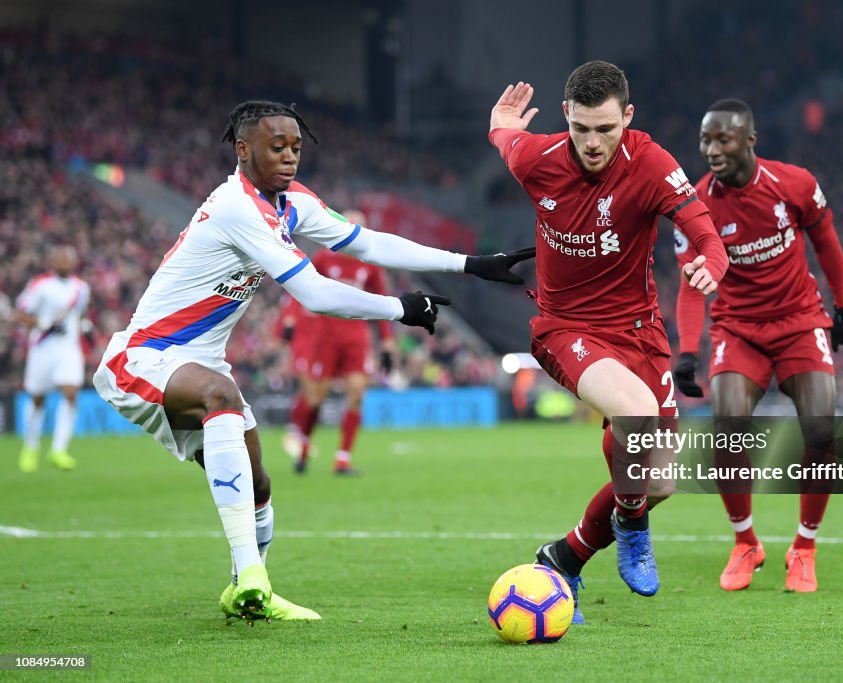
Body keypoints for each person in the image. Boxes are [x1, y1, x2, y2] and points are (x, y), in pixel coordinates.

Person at [92, 100, 534, 623]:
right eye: (276, 146)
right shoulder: (237, 205)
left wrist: (469, 264)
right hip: (144, 356)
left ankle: (247, 591)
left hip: (200, 361)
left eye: (296, 147)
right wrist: (400, 308)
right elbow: (315, 294)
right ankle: (252, 575)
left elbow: (367, 244)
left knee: (258, 486)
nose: (289, 156)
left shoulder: (292, 202)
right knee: (221, 397)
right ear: (242, 149)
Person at [488, 62, 728, 623]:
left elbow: (702, 228)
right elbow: (507, 137)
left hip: (640, 333)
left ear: (628, 117)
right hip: (565, 329)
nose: (593, 143)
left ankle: (565, 555)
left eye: (607, 129)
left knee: (662, 479)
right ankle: (632, 525)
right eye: (582, 129)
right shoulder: (535, 159)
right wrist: (499, 126)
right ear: (566, 115)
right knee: (637, 413)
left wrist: (712, 262)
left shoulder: (651, 163)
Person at [674, 99, 843, 593]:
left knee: (821, 426)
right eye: (705, 140)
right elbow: (692, 284)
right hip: (738, 328)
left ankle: (804, 547)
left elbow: (827, 243)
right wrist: (687, 350)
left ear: (749, 140)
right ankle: (745, 542)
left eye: (722, 140)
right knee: (728, 423)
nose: (711, 150)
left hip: (799, 320)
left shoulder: (795, 184)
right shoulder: (694, 206)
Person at [279, 210, 398, 474]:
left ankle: (343, 458)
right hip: (326, 336)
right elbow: (297, 288)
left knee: (356, 392)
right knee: (315, 398)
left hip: (356, 337)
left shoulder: (370, 265)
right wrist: (289, 319)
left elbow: (384, 304)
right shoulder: (323, 259)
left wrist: (387, 342)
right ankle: (306, 444)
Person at [13, 245, 90, 473]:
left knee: (70, 393)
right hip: (43, 347)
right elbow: (20, 312)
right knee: (38, 398)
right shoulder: (40, 285)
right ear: (52, 262)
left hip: (68, 348)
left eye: (67, 258)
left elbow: (80, 313)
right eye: (59, 257)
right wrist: (41, 324)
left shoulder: (81, 288)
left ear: (74, 262)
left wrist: (83, 325)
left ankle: (59, 449)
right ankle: (31, 446)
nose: (64, 261)